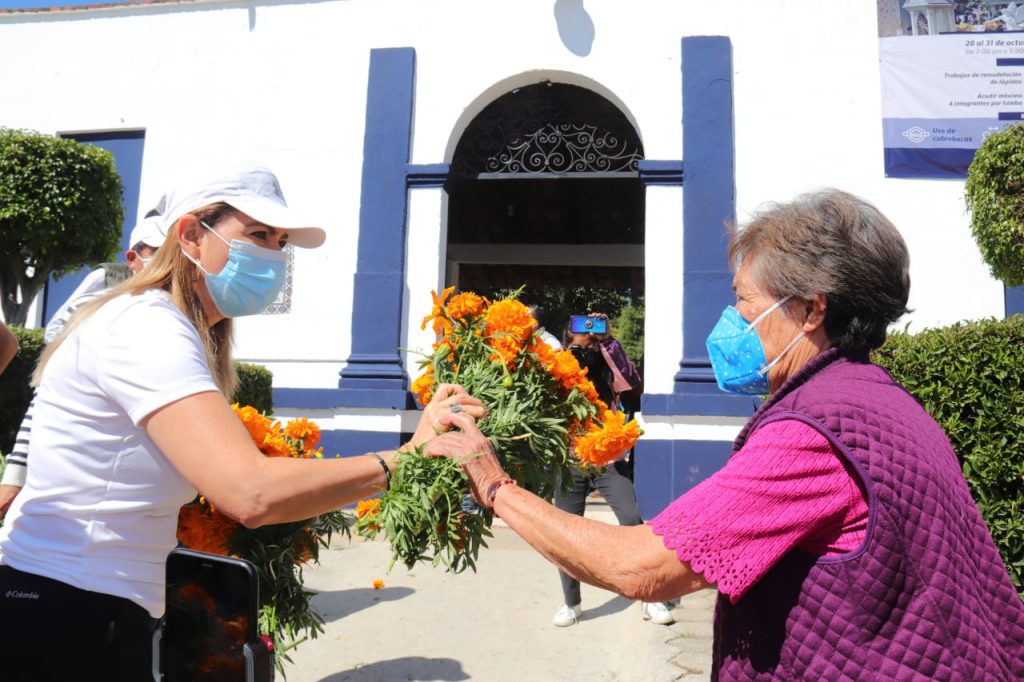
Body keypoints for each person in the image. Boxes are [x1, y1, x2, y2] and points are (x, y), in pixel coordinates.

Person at [435, 189, 1024, 679]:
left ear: (811, 310)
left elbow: (639, 568)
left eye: (744, 299)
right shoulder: (877, 395)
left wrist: (495, 486)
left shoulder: (814, 434)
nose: (732, 319)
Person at [0, 163, 487, 680]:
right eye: (258, 234)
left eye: (280, 242)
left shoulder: (168, 326)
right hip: (67, 612)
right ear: (191, 235)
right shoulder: (147, 328)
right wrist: (405, 458)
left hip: (89, 604)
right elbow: (250, 492)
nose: (274, 254)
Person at [0, 214, 169, 517]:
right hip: (73, 496)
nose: (167, 263)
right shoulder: (101, 305)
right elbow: (45, 390)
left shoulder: (181, 320)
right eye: (158, 252)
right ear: (133, 258)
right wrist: (15, 474)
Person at [550, 312, 674, 627]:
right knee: (564, 533)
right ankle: (571, 603)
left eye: (592, 338)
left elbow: (630, 381)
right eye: (580, 335)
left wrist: (607, 343)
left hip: (608, 460)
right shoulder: (558, 367)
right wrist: (571, 352)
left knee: (632, 520)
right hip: (570, 461)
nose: (587, 342)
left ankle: (651, 596)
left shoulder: (608, 368)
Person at [43, 212, 164, 343]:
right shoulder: (106, 276)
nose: (165, 260)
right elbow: (55, 330)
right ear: (132, 258)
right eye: (157, 252)